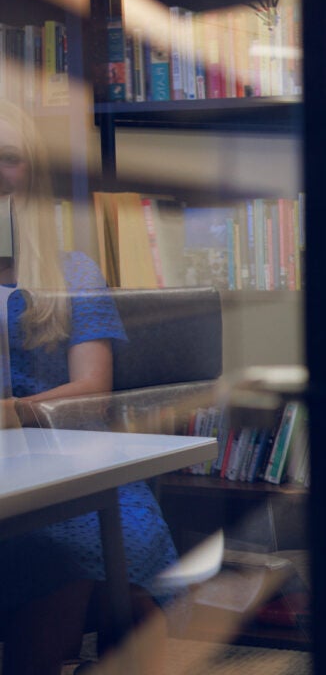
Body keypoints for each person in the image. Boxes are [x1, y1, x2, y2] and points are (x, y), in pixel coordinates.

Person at [0, 100, 176, 675]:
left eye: (8, 158)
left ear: (33, 173)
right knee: (60, 569)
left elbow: (93, 389)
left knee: (86, 556)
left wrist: (16, 412)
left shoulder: (73, 272)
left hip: (74, 465)